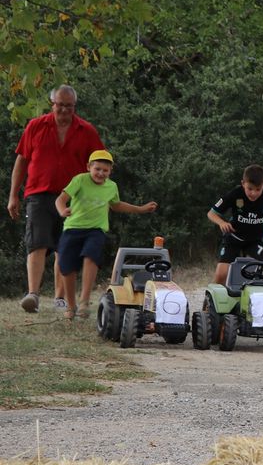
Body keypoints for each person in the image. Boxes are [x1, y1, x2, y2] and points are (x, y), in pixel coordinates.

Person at [8, 85, 104, 313]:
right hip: (38, 193)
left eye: (69, 106)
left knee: (66, 245)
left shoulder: (87, 131)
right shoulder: (35, 126)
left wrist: (100, 195)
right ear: (52, 104)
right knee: (37, 243)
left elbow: (99, 165)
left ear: (74, 107)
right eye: (60, 105)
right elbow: (21, 160)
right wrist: (13, 194)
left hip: (74, 197)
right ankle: (33, 294)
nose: (64, 110)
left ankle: (60, 298)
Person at [55, 150, 157, 319]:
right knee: (67, 268)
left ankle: (84, 302)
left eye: (105, 170)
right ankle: (71, 307)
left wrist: (140, 209)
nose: (101, 173)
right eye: (98, 169)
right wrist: (62, 210)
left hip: (96, 230)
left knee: (91, 257)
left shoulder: (111, 186)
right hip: (72, 228)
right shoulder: (80, 180)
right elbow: (60, 199)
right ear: (89, 167)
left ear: (110, 171)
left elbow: (116, 205)